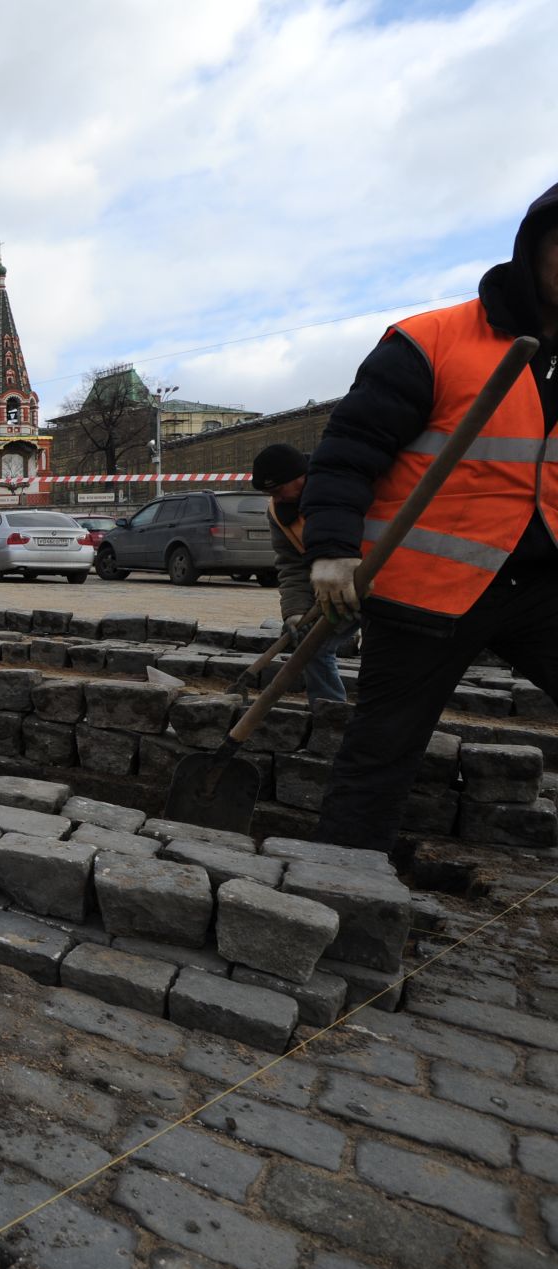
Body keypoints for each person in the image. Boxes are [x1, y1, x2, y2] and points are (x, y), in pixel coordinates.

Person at [300, 183, 558, 854]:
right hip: (427, 592)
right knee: (382, 749)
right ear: (533, 250)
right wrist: (331, 547)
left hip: (540, 586)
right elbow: (347, 451)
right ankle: (339, 891)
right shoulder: (433, 340)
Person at [251, 444, 351, 703]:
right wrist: (295, 612)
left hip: (380, 583)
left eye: (277, 490)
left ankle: (381, 726)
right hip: (333, 592)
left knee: (385, 655)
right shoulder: (278, 511)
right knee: (311, 646)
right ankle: (329, 716)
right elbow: (291, 564)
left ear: (300, 476)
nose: (275, 498)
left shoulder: (343, 487)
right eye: (269, 493)